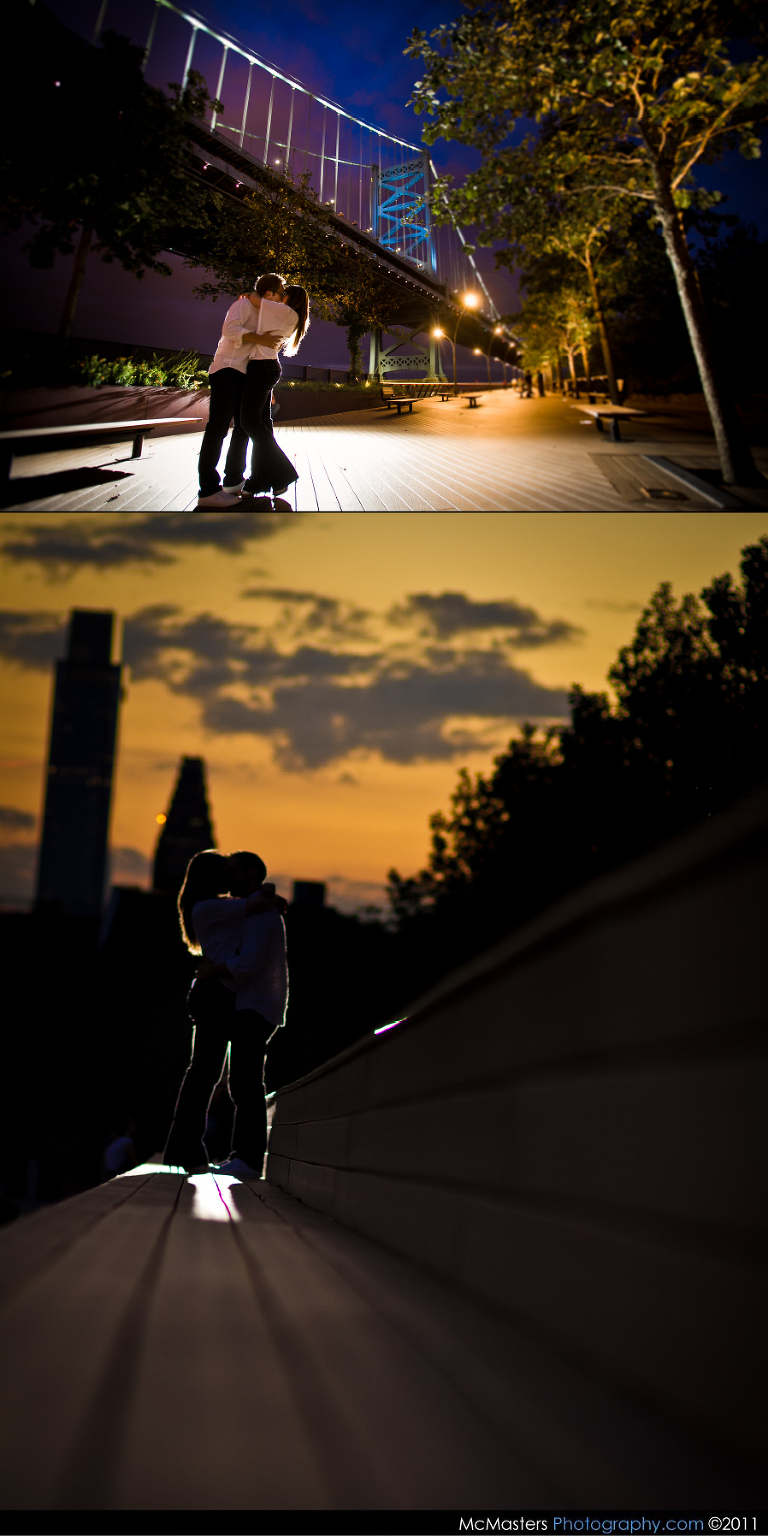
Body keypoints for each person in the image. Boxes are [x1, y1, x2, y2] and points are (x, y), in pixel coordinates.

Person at [163, 849, 288, 1176]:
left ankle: (187, 1150)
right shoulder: (209, 907)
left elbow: (259, 903)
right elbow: (257, 903)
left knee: (209, 1075)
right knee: (206, 1074)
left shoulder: (223, 907)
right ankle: (188, 1150)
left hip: (221, 992)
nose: (229, 878)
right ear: (211, 878)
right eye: (224, 872)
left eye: (232, 871)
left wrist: (270, 896)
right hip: (216, 995)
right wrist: (269, 896)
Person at [196, 275, 287, 508]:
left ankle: (233, 481)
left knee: (242, 428)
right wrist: (261, 339)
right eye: (280, 292)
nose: (283, 296)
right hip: (227, 368)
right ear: (269, 293)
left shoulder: (263, 309)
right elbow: (230, 329)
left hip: (245, 373)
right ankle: (207, 490)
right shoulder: (242, 305)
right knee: (217, 428)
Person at [238, 280, 310, 505]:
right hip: (265, 368)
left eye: (285, 293)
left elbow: (256, 298)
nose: (281, 296)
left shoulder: (286, 312)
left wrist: (248, 294)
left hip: (262, 368)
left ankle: (283, 473)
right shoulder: (289, 315)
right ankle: (259, 481)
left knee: (249, 422)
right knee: (261, 425)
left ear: (292, 298)